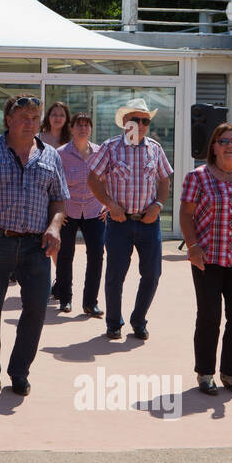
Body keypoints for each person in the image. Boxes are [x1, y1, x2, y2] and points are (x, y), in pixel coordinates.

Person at [0, 95, 67, 395]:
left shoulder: (50, 156)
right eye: (23, 117)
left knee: (36, 309)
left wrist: (55, 226)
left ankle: (20, 371)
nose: (30, 123)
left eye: (35, 117)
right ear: (8, 120)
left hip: (36, 246)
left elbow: (59, 199)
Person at [179, 123, 232, 395]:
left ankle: (231, 373)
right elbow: (185, 214)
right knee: (209, 317)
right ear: (214, 147)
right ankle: (205, 374)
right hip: (208, 257)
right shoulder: (198, 176)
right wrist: (192, 246)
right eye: (224, 141)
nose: (230, 146)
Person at [87, 98, 174, 342]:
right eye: (136, 119)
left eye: (145, 120)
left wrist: (158, 206)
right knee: (115, 275)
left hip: (148, 222)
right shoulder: (111, 147)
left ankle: (139, 320)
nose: (141, 124)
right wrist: (110, 205)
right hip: (119, 222)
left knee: (152, 274)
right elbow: (93, 179)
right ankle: (114, 323)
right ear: (125, 122)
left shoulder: (154, 148)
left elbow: (165, 179)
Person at [52, 112, 105, 316]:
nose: (83, 129)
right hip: (68, 211)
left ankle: (90, 302)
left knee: (96, 256)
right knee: (65, 255)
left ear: (90, 129)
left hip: (94, 211)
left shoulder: (100, 152)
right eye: (79, 125)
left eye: (86, 125)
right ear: (72, 129)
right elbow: (54, 183)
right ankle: (65, 298)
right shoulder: (61, 153)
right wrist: (57, 210)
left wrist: (107, 205)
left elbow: (109, 179)